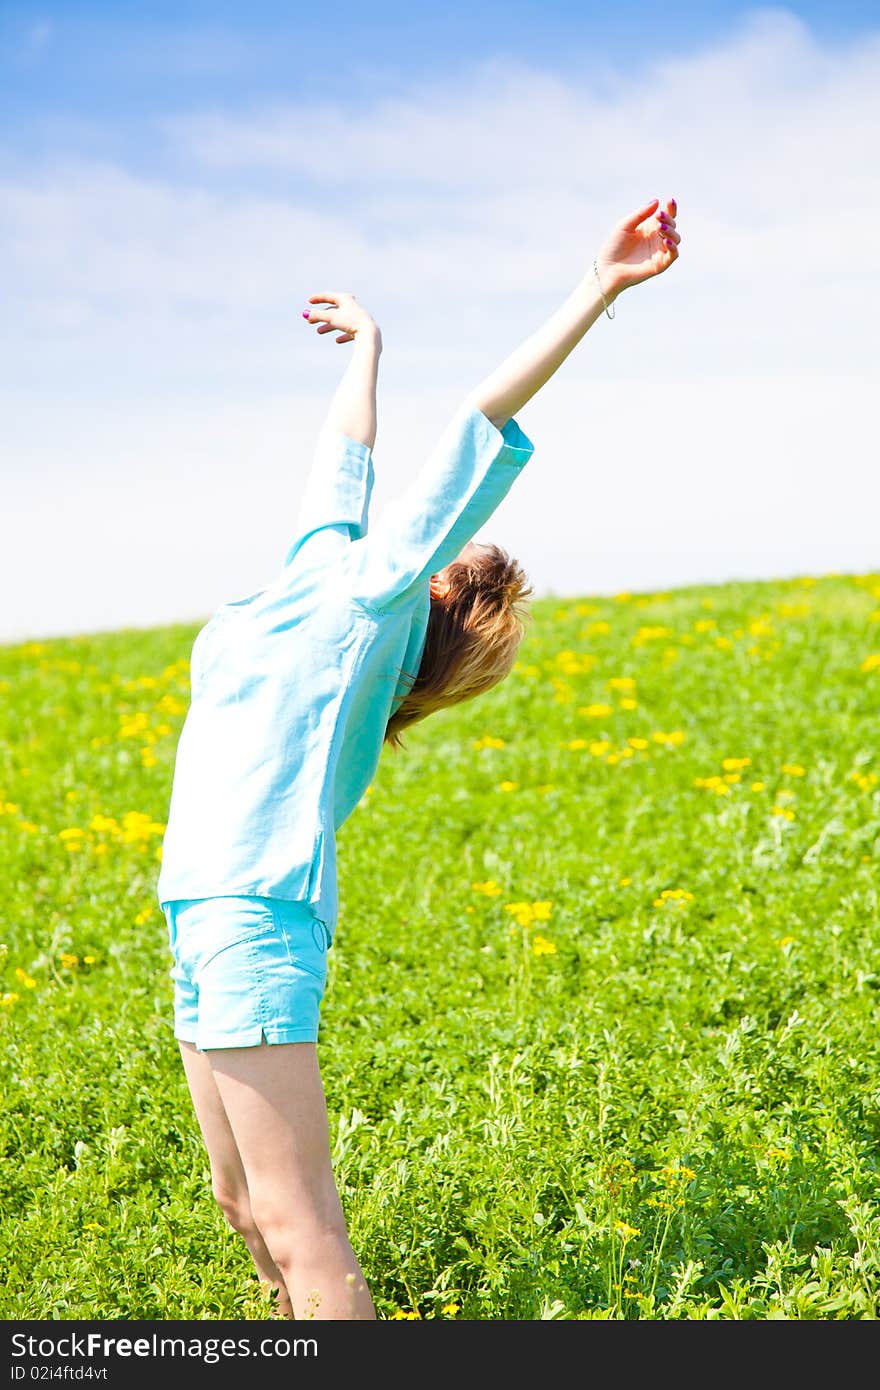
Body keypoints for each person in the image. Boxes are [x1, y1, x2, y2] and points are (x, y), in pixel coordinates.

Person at [156, 197, 682, 1320]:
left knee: (303, 1233)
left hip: (255, 909)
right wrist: (369, 347)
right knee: (241, 1206)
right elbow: (343, 453)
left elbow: (481, 414)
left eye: (449, 545)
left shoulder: (373, 591)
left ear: (434, 583)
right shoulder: (323, 561)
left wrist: (598, 285)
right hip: (194, 908)